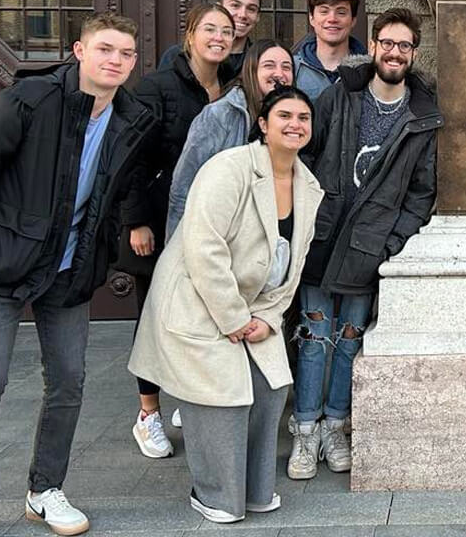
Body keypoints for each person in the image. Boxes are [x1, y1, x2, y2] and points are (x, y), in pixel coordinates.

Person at [0, 13, 154, 537]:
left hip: (69, 269)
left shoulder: (132, 117)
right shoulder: (29, 100)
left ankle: (44, 490)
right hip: (0, 266)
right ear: (79, 51)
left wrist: (99, 250)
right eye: (105, 49)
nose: (115, 60)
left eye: (126, 53)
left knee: (69, 383)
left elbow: (119, 188)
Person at [128, 86, 324, 524]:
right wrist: (233, 318)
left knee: (271, 387)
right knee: (224, 398)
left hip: (255, 308)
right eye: (285, 116)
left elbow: (293, 267)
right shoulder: (229, 168)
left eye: (303, 118)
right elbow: (204, 248)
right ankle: (216, 495)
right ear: (263, 125)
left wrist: (267, 319)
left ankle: (253, 489)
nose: (295, 124)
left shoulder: (310, 187)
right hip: (198, 301)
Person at [289, 7, 441, 480]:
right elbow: (305, 159)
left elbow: (422, 193)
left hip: (367, 246)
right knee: (314, 338)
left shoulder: (423, 118)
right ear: (373, 46)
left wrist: (390, 242)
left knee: (350, 340)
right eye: (387, 43)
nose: (395, 52)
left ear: (413, 53)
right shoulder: (341, 97)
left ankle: (336, 425)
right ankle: (305, 431)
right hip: (323, 234)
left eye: (404, 45)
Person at [121, 2, 235, 460]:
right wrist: (136, 220)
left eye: (226, 31)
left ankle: (189, 396)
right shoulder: (157, 87)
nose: (218, 38)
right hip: (157, 219)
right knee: (154, 315)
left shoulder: (229, 87)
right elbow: (132, 156)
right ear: (190, 35)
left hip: (209, 222)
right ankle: (148, 413)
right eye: (210, 29)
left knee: (199, 313)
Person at [165, 39, 295, 241]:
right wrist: (178, 243)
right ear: (251, 70)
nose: (279, 73)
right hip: (216, 233)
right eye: (269, 65)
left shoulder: (290, 120)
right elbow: (184, 183)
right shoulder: (221, 114)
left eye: (286, 67)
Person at [157, 0, 263, 76]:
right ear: (219, 8)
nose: (242, 15)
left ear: (258, 17)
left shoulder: (261, 59)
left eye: (251, 9)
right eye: (235, 5)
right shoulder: (177, 56)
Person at [293, 0, 368, 102]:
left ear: (353, 21)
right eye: (324, 11)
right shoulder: (292, 68)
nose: (332, 19)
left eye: (341, 13)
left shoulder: (369, 71)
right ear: (311, 18)